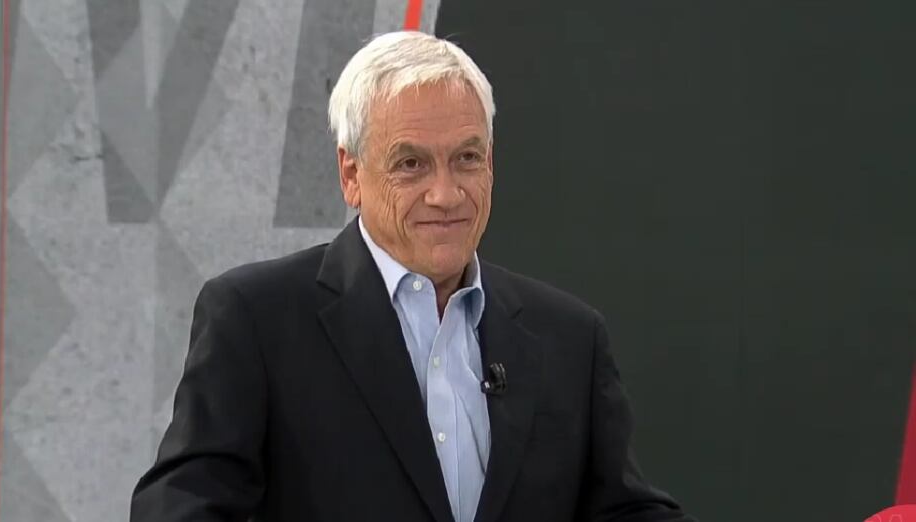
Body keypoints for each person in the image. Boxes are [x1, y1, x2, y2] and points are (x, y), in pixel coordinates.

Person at [131, 31, 695, 522]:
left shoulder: (569, 337)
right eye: (411, 164)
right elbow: (180, 508)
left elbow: (625, 512)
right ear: (351, 174)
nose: (445, 194)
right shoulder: (256, 319)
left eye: (467, 158)